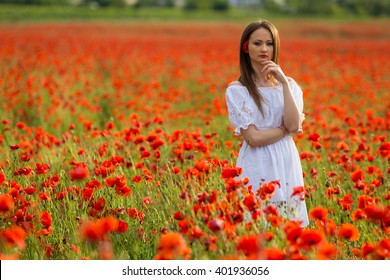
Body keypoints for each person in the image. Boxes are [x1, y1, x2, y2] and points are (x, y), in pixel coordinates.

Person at [225, 20, 309, 227]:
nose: (264, 49)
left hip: (286, 158)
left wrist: (283, 83)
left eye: (269, 43)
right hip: (257, 161)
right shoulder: (238, 90)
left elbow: (294, 123)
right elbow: (253, 138)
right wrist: (284, 130)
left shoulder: (290, 86)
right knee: (257, 223)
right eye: (257, 43)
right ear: (246, 47)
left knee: (289, 223)